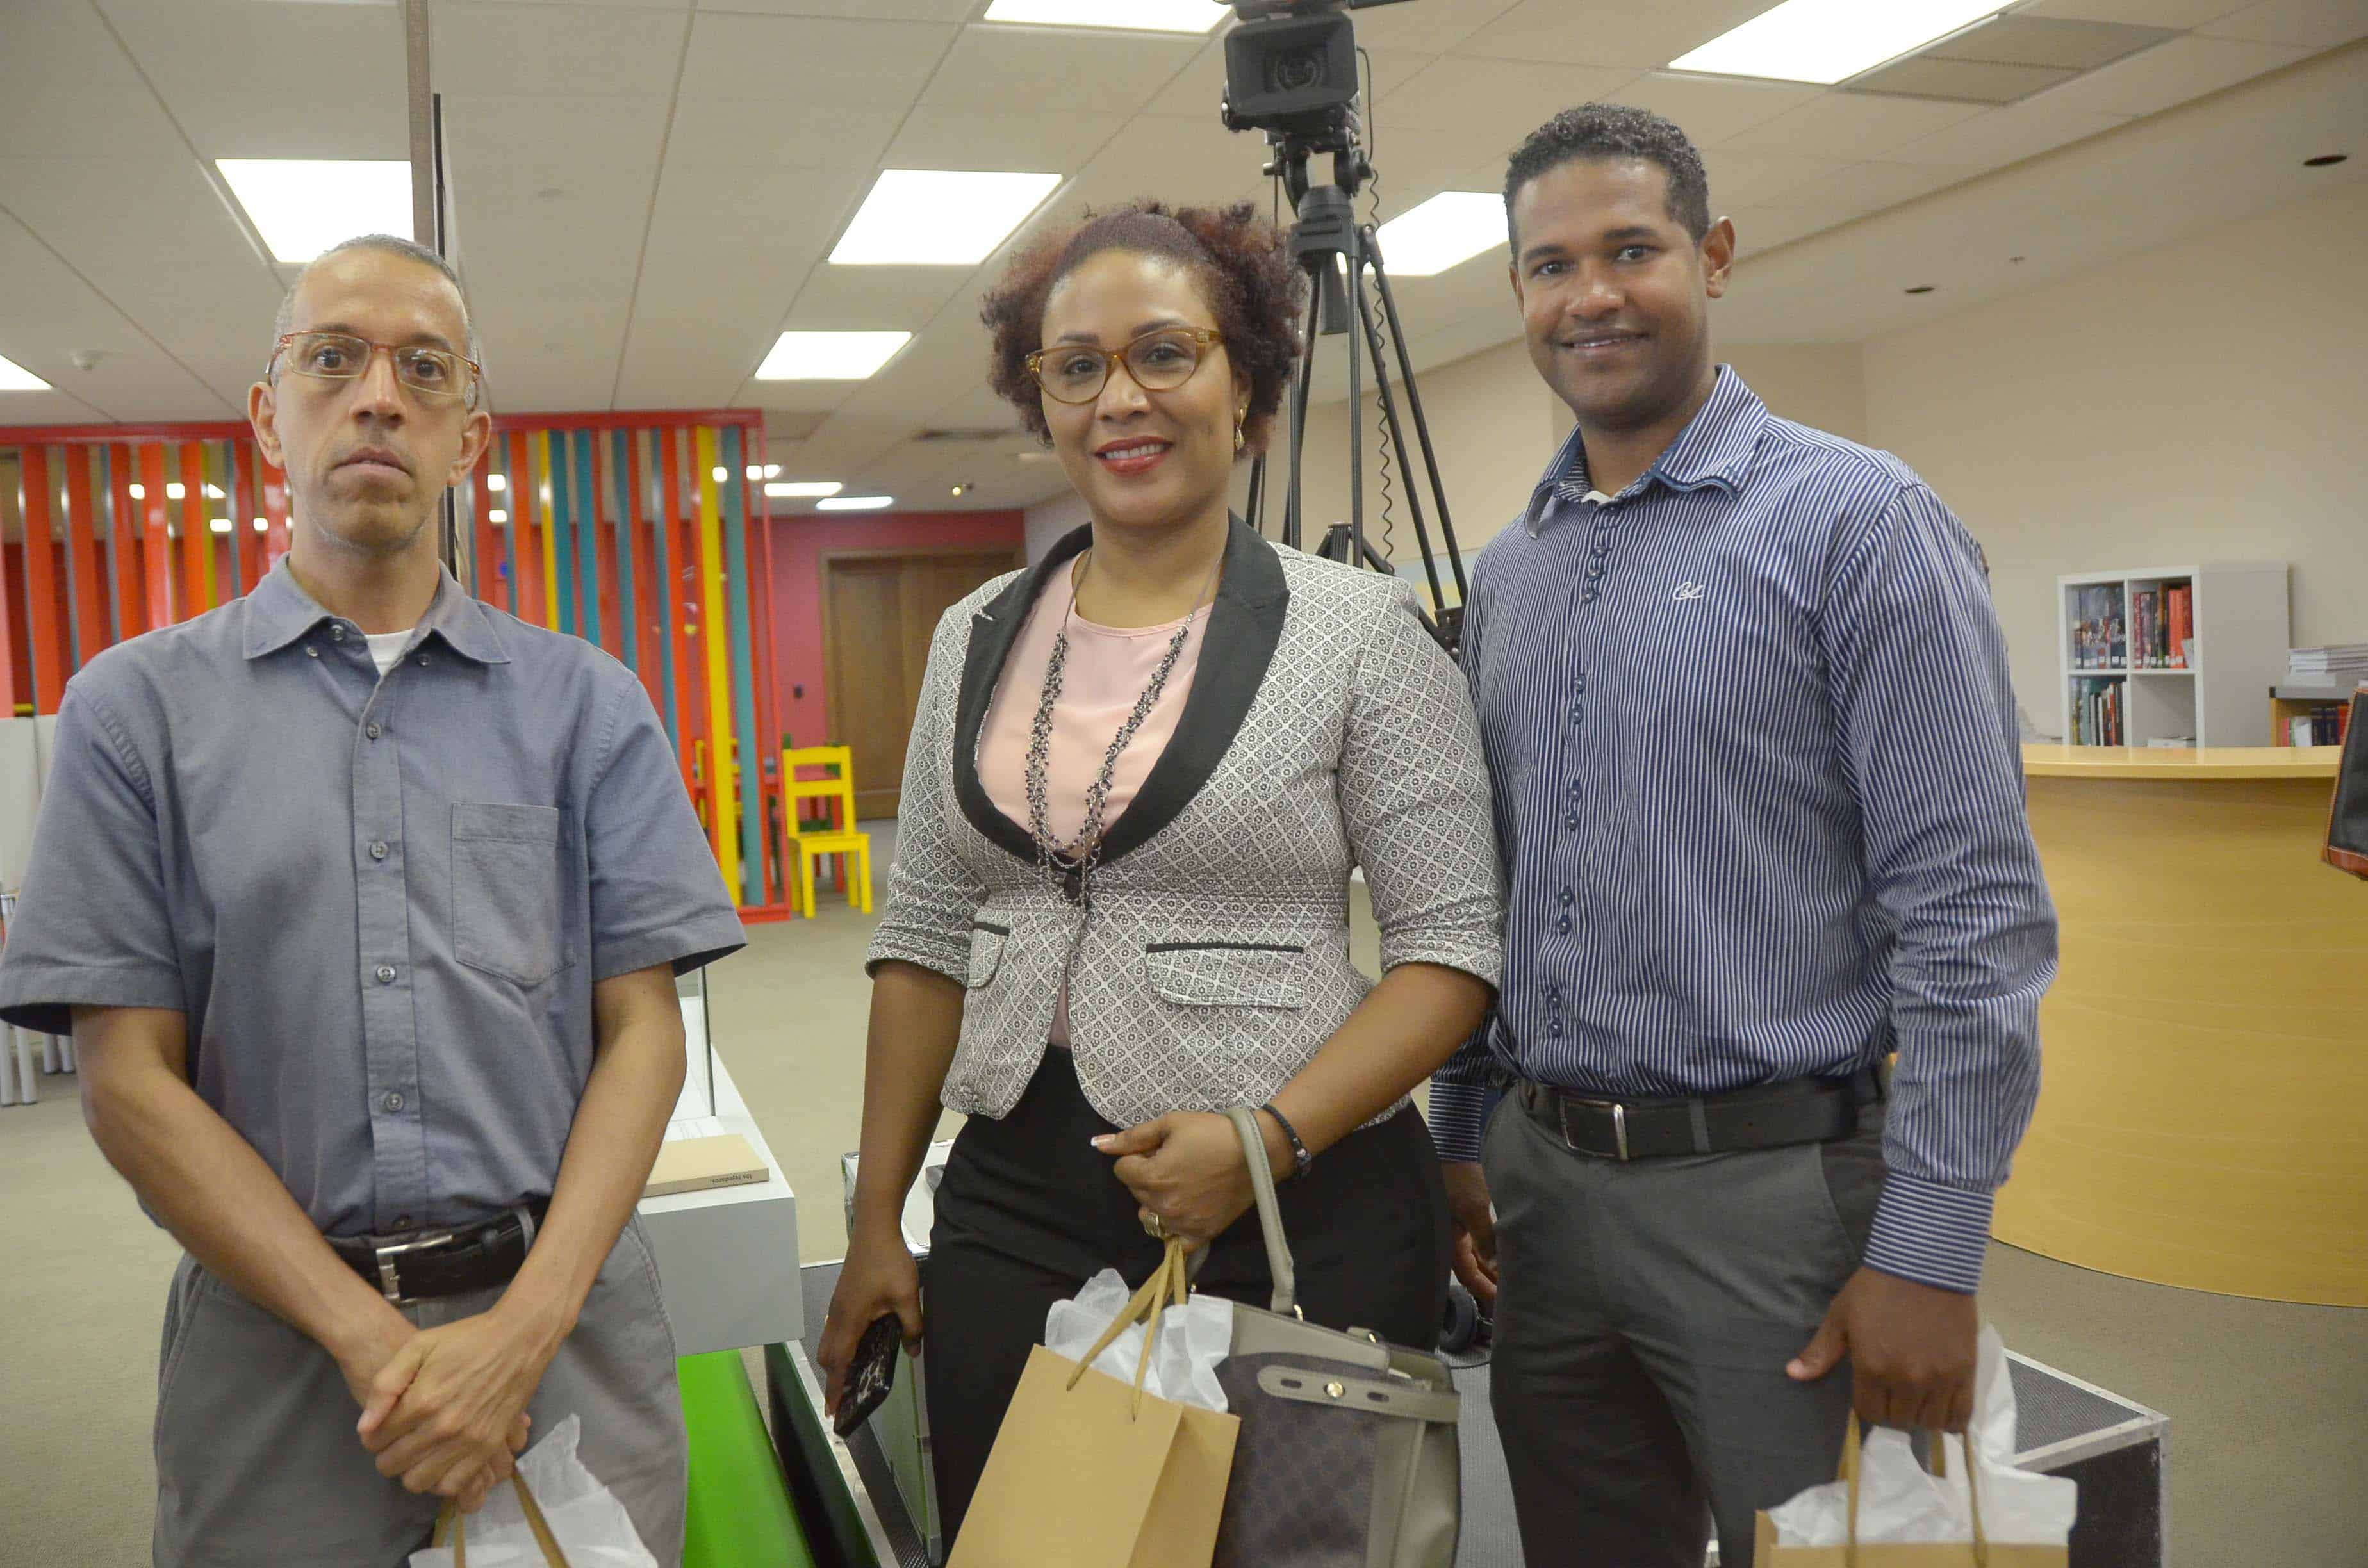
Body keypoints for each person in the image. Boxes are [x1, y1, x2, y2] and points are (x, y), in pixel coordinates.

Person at [0, 234, 744, 1567]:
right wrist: (377, 1344)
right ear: (269, 420)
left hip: (563, 1336)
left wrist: (516, 1343)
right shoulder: (137, 713)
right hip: (277, 1362)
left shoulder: (586, 704)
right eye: (333, 358)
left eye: (425, 368)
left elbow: (645, 1034)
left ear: (473, 433)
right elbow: (127, 1080)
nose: (379, 396)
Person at [816, 199, 1503, 1544]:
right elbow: (924, 939)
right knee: (1026, 1537)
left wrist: (1265, 1140)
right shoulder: (976, 635)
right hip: (1018, 1194)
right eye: (1077, 367)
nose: (1119, 398)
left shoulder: (1360, 633)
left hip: (1302, 1199)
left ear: (1245, 381)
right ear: (1042, 399)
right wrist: (878, 1221)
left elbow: (1453, 951)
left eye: (1164, 354)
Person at [1429, 106, 2059, 1568]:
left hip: (1779, 1208)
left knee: (1835, 1550)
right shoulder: (1510, 573)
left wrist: (1932, 1246)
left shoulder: (1858, 522)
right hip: (1547, 1200)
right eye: (1550, 264)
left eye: (1631, 249)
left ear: (1711, 257)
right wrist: (1465, 1139)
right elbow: (1496, 881)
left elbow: (1971, 911)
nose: (1591, 294)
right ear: (1519, 295)